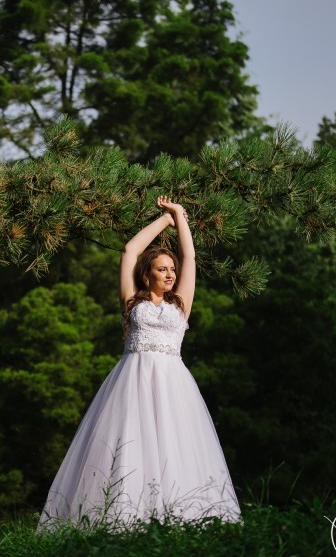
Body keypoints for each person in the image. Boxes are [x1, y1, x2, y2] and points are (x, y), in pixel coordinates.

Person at [37, 196, 241, 530]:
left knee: (174, 445)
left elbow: (189, 256)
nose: (170, 274)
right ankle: (123, 522)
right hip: (132, 381)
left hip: (174, 384)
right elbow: (130, 250)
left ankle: (182, 522)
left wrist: (180, 216)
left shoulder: (181, 306)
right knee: (129, 446)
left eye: (171, 270)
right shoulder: (131, 302)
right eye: (162, 269)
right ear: (146, 275)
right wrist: (165, 221)